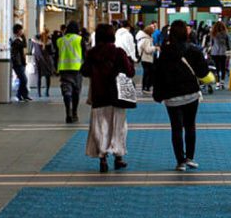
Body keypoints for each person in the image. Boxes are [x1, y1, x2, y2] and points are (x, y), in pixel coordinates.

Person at [152, 20, 210, 171]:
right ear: (186, 32)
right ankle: (190, 157)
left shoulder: (164, 52)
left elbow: (158, 74)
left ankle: (180, 161)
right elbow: (203, 72)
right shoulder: (194, 50)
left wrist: (157, 94)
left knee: (176, 128)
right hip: (191, 93)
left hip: (171, 96)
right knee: (190, 126)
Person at [83, 24, 135, 173]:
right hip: (117, 95)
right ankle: (118, 157)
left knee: (100, 127)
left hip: (99, 95)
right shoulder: (118, 52)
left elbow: (85, 71)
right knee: (119, 126)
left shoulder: (92, 53)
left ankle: (103, 159)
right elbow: (130, 72)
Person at [56, 22, 86, 123]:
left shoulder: (60, 40)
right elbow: (85, 55)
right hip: (77, 69)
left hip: (63, 69)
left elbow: (57, 55)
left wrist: (56, 68)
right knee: (76, 92)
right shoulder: (79, 39)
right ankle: (74, 113)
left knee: (66, 91)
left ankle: (67, 112)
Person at [9, 24, 30, 102]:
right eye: (21, 30)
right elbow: (24, 45)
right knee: (24, 79)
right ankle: (20, 94)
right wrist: (23, 36)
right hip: (17, 63)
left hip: (21, 62)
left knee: (23, 79)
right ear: (18, 31)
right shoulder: (16, 40)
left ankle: (24, 95)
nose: (22, 31)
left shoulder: (18, 39)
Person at [32, 30, 56, 97]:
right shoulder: (49, 42)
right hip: (47, 61)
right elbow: (52, 51)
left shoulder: (35, 42)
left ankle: (39, 93)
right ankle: (47, 92)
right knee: (47, 77)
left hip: (38, 61)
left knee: (39, 77)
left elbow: (33, 39)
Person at [206, 23, 230, 90]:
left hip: (215, 52)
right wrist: (229, 51)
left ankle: (217, 83)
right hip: (223, 52)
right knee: (223, 68)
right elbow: (228, 44)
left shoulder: (213, 34)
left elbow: (211, 44)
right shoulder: (225, 34)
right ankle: (222, 83)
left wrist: (208, 51)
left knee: (216, 68)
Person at [136, 22, 158, 91]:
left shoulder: (142, 37)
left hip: (143, 58)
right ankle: (147, 87)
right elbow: (148, 50)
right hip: (147, 58)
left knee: (146, 73)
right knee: (149, 73)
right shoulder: (147, 39)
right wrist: (155, 48)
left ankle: (144, 87)